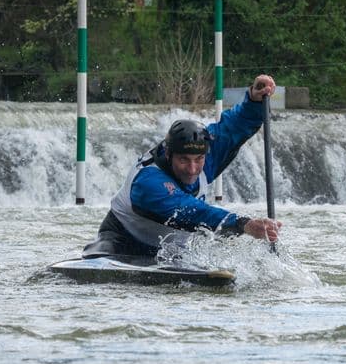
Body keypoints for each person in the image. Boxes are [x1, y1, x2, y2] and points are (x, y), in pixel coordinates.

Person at [83, 74, 282, 259]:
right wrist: (243, 223)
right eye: (184, 160)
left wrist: (254, 99)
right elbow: (191, 211)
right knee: (103, 251)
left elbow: (234, 126)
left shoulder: (207, 153)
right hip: (124, 239)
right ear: (169, 155)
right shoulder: (148, 180)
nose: (192, 168)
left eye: (198, 159)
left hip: (171, 246)